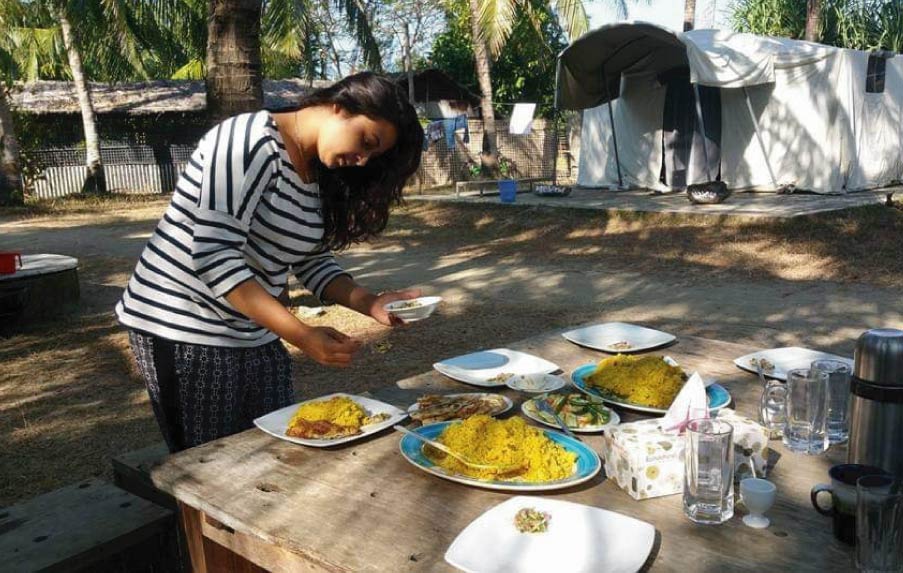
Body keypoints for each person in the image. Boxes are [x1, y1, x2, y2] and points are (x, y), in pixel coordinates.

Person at [116, 72, 424, 452]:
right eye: (366, 142)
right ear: (340, 107)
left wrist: (371, 303)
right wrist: (302, 335)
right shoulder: (250, 140)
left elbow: (310, 259)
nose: (362, 161)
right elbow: (214, 255)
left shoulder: (317, 170)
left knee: (277, 450)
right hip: (183, 328)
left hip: (254, 330)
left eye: (372, 156)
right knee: (209, 463)